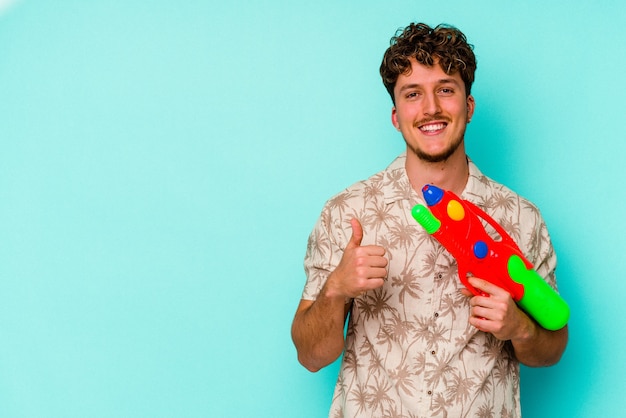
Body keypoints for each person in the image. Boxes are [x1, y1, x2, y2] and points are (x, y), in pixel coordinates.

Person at [291, 22, 568, 417]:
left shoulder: (521, 218)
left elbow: (553, 347)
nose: (431, 108)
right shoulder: (346, 211)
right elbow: (310, 356)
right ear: (396, 116)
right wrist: (336, 289)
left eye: (446, 89)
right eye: (413, 94)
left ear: (468, 107)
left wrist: (519, 329)